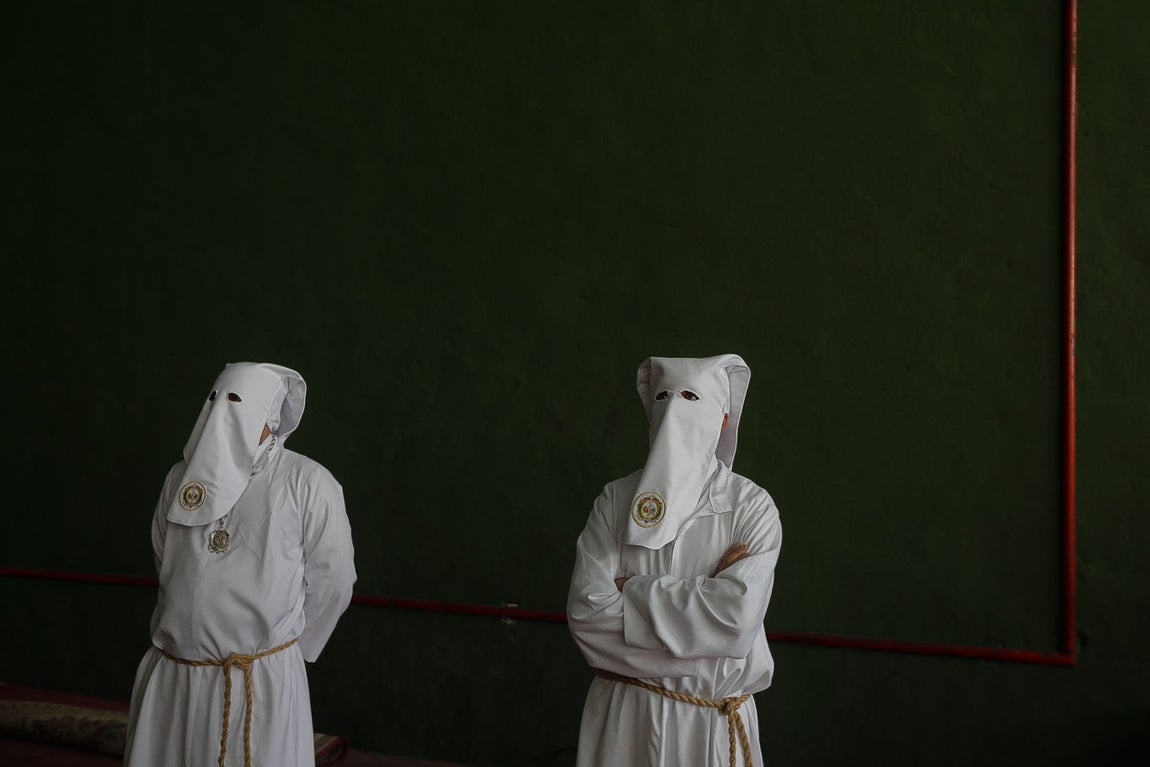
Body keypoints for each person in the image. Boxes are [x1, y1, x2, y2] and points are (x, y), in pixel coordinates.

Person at [125, 362, 356, 767]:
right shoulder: (179, 479)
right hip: (176, 676)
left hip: (257, 678)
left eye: (236, 401)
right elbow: (166, 559)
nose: (222, 410)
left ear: (269, 415)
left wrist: (283, 647)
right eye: (215, 399)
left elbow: (334, 580)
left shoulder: (308, 481)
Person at [567, 354, 782, 767]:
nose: (675, 410)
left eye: (691, 397)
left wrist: (632, 590)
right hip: (627, 717)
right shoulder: (615, 501)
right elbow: (587, 615)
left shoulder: (751, 507)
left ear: (723, 419)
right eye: (663, 397)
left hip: (711, 726)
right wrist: (704, 635)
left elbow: (736, 622)